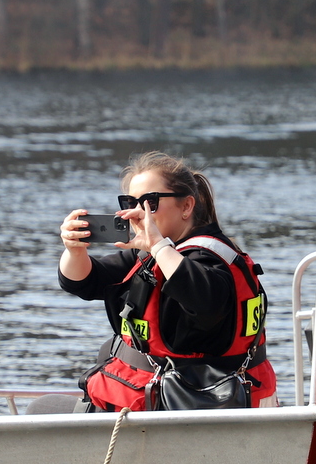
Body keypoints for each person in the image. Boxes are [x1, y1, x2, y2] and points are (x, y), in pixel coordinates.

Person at [57, 151, 276, 411]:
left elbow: (205, 300)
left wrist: (158, 246)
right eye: (132, 202)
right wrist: (74, 250)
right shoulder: (152, 253)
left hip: (186, 408)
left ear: (186, 206)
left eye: (151, 202)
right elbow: (84, 282)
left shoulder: (208, 257)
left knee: (39, 411)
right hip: (163, 405)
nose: (139, 212)